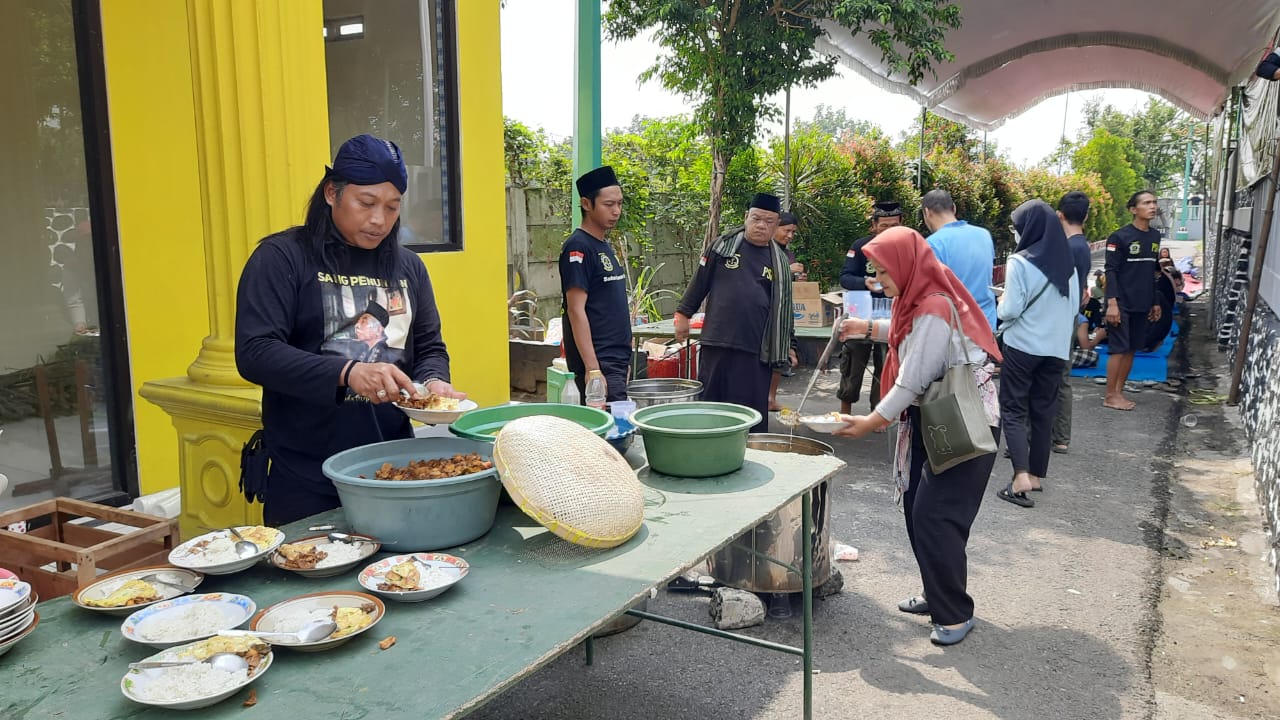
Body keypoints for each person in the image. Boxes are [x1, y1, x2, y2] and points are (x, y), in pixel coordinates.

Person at [235, 134, 465, 526]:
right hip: (306, 475)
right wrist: (347, 373)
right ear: (331, 193)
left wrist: (434, 382)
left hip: (393, 466)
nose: (380, 219)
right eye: (366, 203)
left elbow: (429, 346)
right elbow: (255, 352)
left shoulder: (408, 267)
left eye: (393, 207)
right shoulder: (282, 258)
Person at [832, 226, 1001, 647]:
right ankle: (938, 591)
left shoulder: (933, 307)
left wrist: (872, 421)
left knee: (935, 515)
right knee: (916, 507)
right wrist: (865, 327)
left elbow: (913, 377)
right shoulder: (919, 299)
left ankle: (955, 613)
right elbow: (903, 330)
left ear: (906, 266)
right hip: (936, 416)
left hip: (964, 418)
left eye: (884, 273)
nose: (879, 281)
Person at [675, 193, 793, 433]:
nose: (761, 225)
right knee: (712, 407)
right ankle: (708, 454)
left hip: (757, 348)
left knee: (750, 414)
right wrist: (683, 315)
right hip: (717, 340)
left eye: (769, 221)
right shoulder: (722, 247)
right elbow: (700, 282)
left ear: (776, 224)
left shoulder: (779, 261)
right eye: (756, 218)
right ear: (746, 217)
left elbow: (784, 308)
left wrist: (790, 344)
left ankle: (753, 458)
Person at [995, 200, 1079, 508]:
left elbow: (1012, 309)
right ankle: (1037, 476)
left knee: (1014, 410)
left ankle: (1020, 477)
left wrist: (1000, 305)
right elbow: (1073, 309)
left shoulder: (1020, 262)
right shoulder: (1067, 264)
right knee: (1044, 413)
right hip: (1055, 351)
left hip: (1023, 347)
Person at [559, 165, 632, 402]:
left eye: (619, 204)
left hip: (615, 361)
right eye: (608, 205)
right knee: (608, 435)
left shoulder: (602, 245)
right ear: (586, 204)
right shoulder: (578, 247)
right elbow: (575, 309)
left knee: (618, 429)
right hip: (599, 362)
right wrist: (593, 369)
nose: (616, 211)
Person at [836, 201, 900, 415]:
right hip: (862, 311)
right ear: (873, 225)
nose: (889, 231)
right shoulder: (860, 247)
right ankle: (845, 408)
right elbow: (845, 277)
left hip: (892, 313)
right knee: (853, 360)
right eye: (884, 226)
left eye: (894, 225)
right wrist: (865, 282)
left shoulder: (907, 249)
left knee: (886, 365)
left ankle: (878, 412)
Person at [1102, 190, 1163, 411]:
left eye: (1154, 202)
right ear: (1133, 209)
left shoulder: (1155, 236)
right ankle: (1110, 395)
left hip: (1143, 302)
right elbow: (1111, 271)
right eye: (1147, 203)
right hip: (1121, 303)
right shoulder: (1119, 237)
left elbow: (1153, 272)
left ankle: (1119, 391)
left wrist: (1155, 301)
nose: (1152, 206)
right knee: (1118, 348)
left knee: (1131, 348)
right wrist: (1112, 303)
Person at [1049, 191, 1094, 454]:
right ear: (1086, 215)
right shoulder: (1083, 246)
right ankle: (1061, 437)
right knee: (1062, 376)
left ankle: (1055, 434)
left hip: (1059, 318)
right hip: (1071, 315)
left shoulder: (1067, 247)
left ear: (1059, 215)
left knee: (1052, 376)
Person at [921, 189, 997, 330]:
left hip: (957, 329)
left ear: (927, 212)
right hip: (987, 324)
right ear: (954, 208)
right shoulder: (984, 235)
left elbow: (931, 292)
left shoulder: (932, 244)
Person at [768, 212, 803, 411]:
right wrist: (787, 271)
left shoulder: (787, 253)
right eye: (786, 230)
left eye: (793, 232)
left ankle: (771, 398)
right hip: (768, 310)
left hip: (785, 310)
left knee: (782, 352)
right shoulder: (765, 250)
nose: (790, 236)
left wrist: (798, 279)